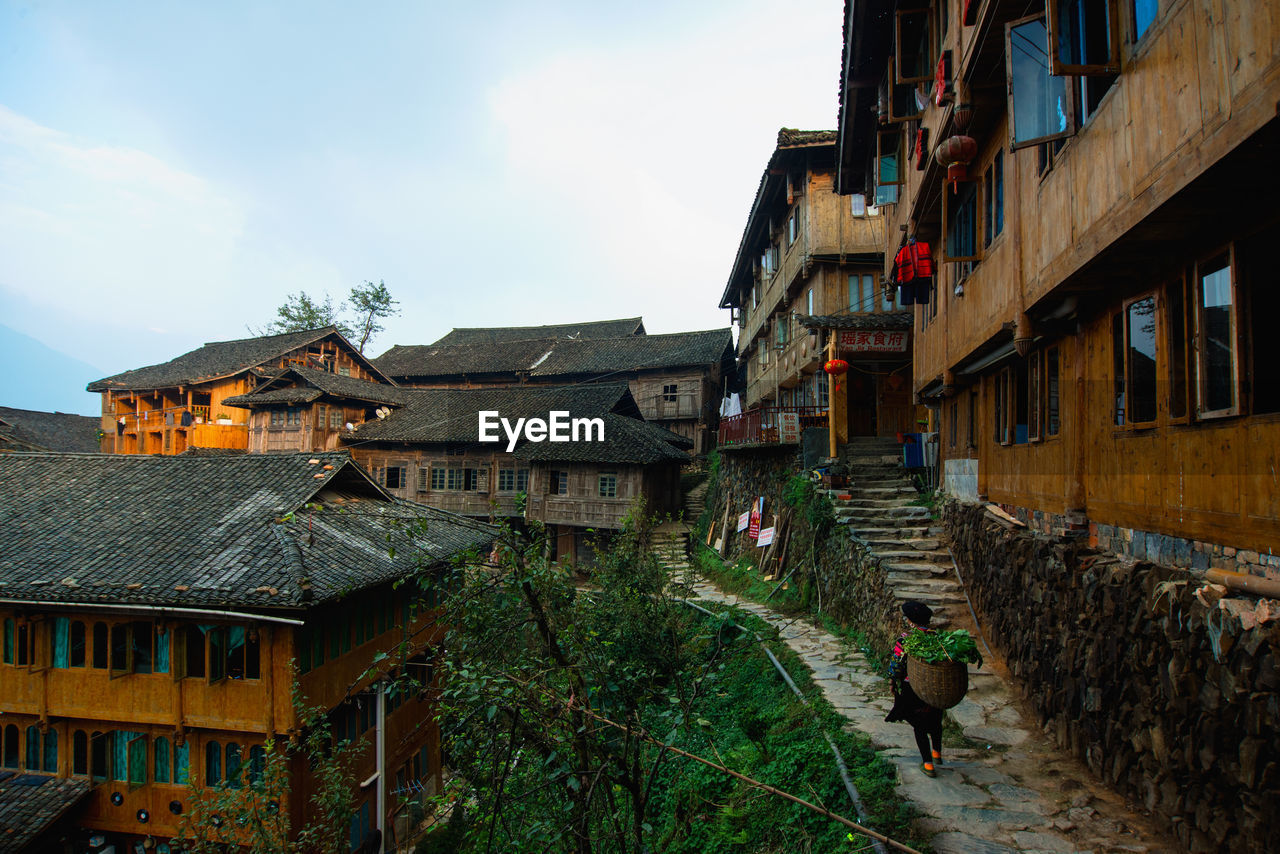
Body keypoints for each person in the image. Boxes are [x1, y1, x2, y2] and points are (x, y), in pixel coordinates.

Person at [885, 600, 944, 777]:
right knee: (935, 720)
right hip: (935, 688)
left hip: (914, 689)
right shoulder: (938, 639)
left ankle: (928, 764)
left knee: (919, 725)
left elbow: (896, 666)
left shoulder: (906, 641)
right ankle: (937, 754)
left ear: (911, 621)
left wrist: (893, 681)